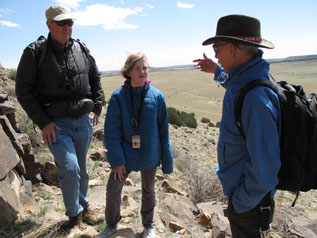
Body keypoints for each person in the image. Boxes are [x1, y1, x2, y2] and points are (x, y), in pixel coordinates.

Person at [15, 5, 103, 232]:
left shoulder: (81, 48)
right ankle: (73, 216)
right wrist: (43, 122)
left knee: (81, 169)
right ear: (49, 24)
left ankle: (83, 207)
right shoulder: (35, 52)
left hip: (83, 121)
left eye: (69, 23)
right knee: (70, 168)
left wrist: (97, 108)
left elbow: (95, 79)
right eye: (61, 23)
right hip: (56, 124)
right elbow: (23, 90)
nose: (67, 27)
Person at [193, 15, 281, 237]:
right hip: (246, 199)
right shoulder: (245, 80)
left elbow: (264, 172)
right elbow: (236, 87)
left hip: (251, 205)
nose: (215, 53)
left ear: (232, 49)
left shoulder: (255, 98)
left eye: (217, 47)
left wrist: (240, 204)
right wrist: (216, 71)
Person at [97, 53, 173, 238]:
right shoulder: (118, 97)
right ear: (128, 71)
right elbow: (111, 132)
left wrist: (167, 160)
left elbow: (164, 131)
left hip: (150, 153)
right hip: (125, 155)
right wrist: (117, 161)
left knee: (148, 190)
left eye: (145, 68)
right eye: (137, 68)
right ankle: (111, 225)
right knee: (114, 187)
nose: (142, 72)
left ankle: (148, 225)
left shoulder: (157, 97)